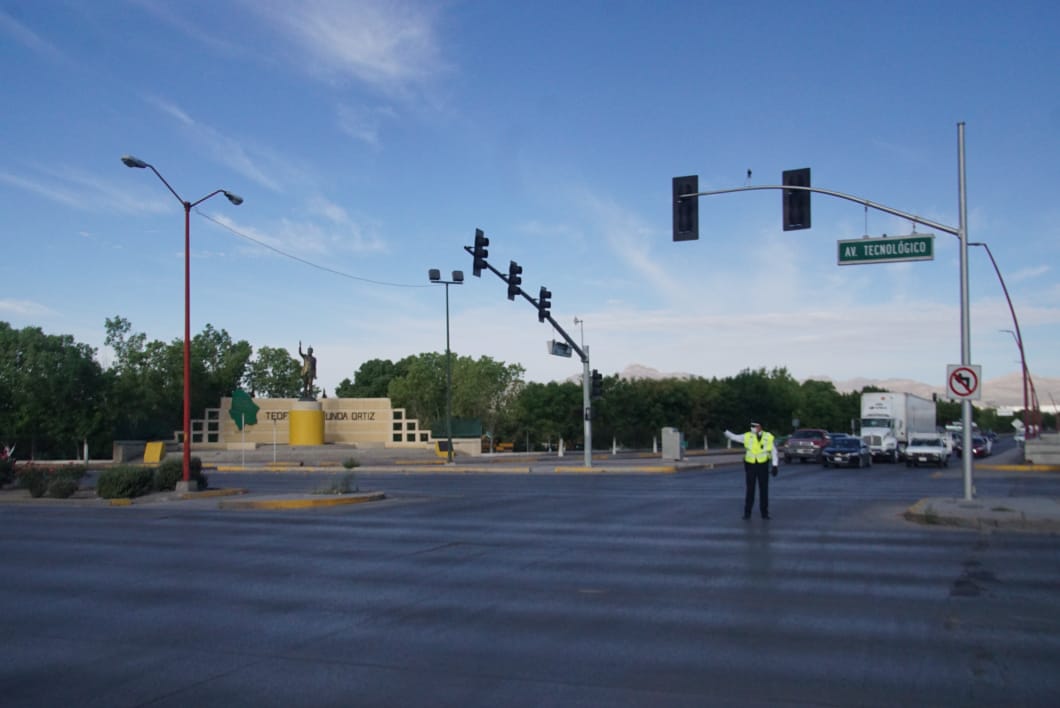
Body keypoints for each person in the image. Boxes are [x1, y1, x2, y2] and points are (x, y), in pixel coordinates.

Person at [724, 422, 779, 520]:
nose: (752, 428)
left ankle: (764, 513)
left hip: (763, 465)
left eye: (754, 426)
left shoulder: (768, 436)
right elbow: (734, 437)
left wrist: (775, 465)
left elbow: (773, 451)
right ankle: (747, 513)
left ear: (760, 427)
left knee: (764, 490)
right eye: (751, 426)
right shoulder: (747, 436)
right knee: (750, 490)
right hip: (751, 466)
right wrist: (725, 431)